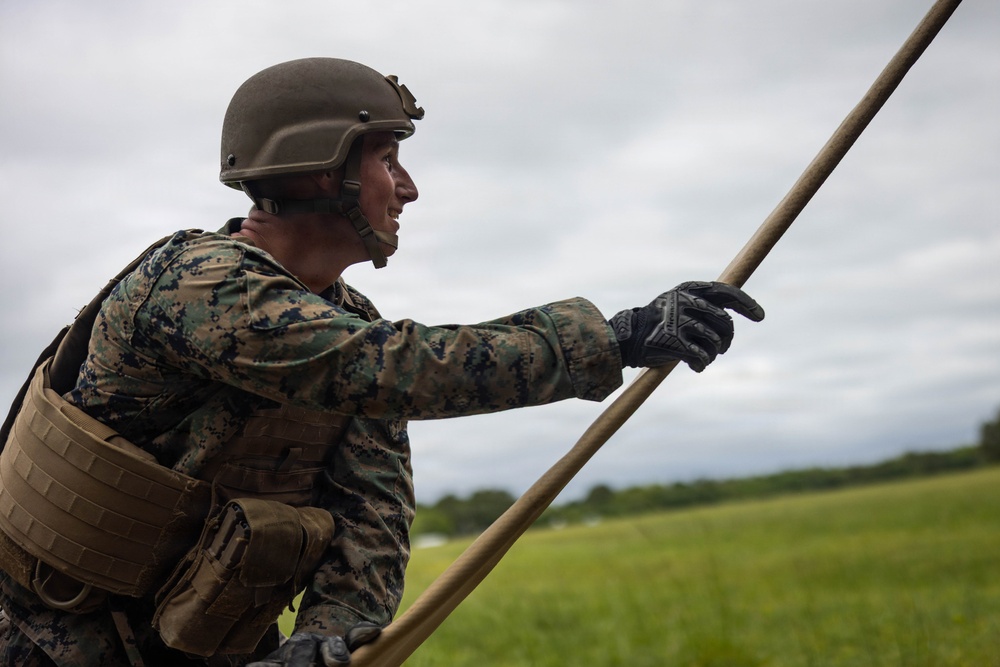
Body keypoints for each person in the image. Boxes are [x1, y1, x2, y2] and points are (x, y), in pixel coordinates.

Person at [0, 57, 764, 667]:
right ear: (313, 166)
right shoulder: (199, 283)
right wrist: (615, 336)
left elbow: (373, 506)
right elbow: (389, 368)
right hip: (43, 640)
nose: (408, 189)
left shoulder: (345, 318)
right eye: (388, 159)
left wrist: (330, 632)